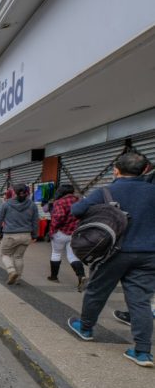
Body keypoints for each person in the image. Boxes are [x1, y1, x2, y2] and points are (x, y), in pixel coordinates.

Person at [67, 151, 155, 367]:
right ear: (145, 170)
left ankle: (86, 328)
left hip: (113, 252)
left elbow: (76, 210)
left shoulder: (107, 191)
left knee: (97, 290)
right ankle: (142, 351)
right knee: (140, 301)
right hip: (148, 254)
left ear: (116, 170)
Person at [0, 184, 38, 285]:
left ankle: (11, 271)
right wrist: (35, 235)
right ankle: (18, 279)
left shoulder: (6, 204)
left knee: (5, 254)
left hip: (10, 235)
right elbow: (35, 221)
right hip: (26, 235)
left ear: (14, 192)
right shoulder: (32, 204)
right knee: (18, 257)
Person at [46, 184, 87, 290]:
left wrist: (51, 231)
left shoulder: (60, 202)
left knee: (56, 253)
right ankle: (81, 276)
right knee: (73, 256)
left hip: (61, 233)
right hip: (75, 233)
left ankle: (54, 277)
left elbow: (58, 217)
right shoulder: (80, 200)